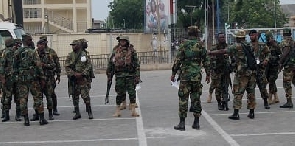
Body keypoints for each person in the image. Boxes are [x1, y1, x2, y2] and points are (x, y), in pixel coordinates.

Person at [208, 30, 257, 120]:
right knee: (251, 92)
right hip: (252, 72)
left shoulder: (236, 46)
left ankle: (236, 113)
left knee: (238, 92)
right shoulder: (249, 45)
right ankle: (251, 112)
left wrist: (211, 53)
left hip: (242, 73)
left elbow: (223, 51)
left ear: (237, 38)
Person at [171, 26, 210, 131]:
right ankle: (196, 123)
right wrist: (208, 74)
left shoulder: (184, 45)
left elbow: (177, 61)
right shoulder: (201, 45)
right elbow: (206, 61)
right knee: (196, 98)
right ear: (197, 34)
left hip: (185, 76)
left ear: (188, 34)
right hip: (197, 76)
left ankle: (182, 123)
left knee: (183, 98)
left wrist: (173, 73)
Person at [14, 34, 48, 126]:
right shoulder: (33, 52)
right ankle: (41, 118)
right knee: (37, 97)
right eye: (30, 40)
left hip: (22, 79)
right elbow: (38, 65)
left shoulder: (17, 52)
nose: (31, 41)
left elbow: (14, 66)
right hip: (33, 78)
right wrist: (42, 77)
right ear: (27, 41)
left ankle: (26, 119)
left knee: (23, 99)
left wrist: (16, 76)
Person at [106, 35, 140, 117]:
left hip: (130, 75)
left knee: (132, 93)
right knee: (119, 93)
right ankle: (117, 110)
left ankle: (133, 110)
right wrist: (109, 73)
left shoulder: (132, 51)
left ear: (127, 42)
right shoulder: (115, 50)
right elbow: (111, 62)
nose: (122, 42)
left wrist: (137, 76)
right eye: (121, 41)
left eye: (124, 41)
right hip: (119, 75)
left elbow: (136, 64)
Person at [65, 40, 93, 120]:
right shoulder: (70, 55)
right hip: (74, 79)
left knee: (85, 96)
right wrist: (73, 74)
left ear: (78, 46)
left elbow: (89, 65)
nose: (73, 46)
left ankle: (89, 112)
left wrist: (83, 73)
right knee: (75, 96)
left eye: (74, 45)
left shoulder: (83, 55)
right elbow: (67, 66)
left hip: (82, 79)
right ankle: (77, 113)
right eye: (72, 45)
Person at [0, 38, 22, 122]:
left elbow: (2, 66)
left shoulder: (5, 52)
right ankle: (18, 115)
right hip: (15, 77)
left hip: (8, 78)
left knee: (7, 97)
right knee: (18, 96)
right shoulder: (16, 51)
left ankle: (6, 115)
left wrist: (2, 77)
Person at [208, 33, 231, 110]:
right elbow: (210, 57)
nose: (222, 38)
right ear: (218, 38)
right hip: (216, 71)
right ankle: (219, 102)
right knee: (218, 88)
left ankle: (225, 102)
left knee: (225, 87)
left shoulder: (228, 46)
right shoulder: (214, 47)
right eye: (221, 37)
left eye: (223, 37)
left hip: (225, 71)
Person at [39, 36, 61, 116]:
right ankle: (39, 112)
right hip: (40, 77)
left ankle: (54, 109)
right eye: (41, 41)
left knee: (51, 94)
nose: (43, 43)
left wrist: (58, 74)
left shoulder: (51, 52)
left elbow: (56, 63)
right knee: (39, 95)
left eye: (44, 41)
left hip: (50, 76)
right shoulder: (36, 52)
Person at [34, 39, 55, 120]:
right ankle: (37, 114)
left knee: (49, 96)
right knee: (37, 97)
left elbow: (53, 65)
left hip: (47, 78)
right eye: (40, 44)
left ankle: (50, 113)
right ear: (37, 45)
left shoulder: (48, 54)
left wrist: (44, 65)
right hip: (37, 79)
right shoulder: (33, 54)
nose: (42, 46)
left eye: (43, 44)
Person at [249, 30, 270, 109]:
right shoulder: (247, 45)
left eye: (253, 35)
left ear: (256, 35)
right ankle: (251, 103)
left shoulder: (262, 45)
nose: (252, 37)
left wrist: (266, 60)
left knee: (262, 86)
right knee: (251, 87)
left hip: (260, 68)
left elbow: (268, 53)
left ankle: (265, 101)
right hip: (251, 69)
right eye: (250, 35)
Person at [279, 28, 295, 109]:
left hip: (288, 66)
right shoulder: (293, 41)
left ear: (284, 34)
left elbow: (284, 53)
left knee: (287, 84)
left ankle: (289, 102)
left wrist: (280, 63)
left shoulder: (284, 42)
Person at [265, 31, 281, 104]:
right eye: (267, 37)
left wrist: (273, 43)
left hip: (274, 66)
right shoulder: (266, 45)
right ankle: (276, 97)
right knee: (271, 81)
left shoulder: (276, 44)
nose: (268, 39)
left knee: (271, 80)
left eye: (269, 37)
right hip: (268, 66)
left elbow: (280, 53)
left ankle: (270, 97)